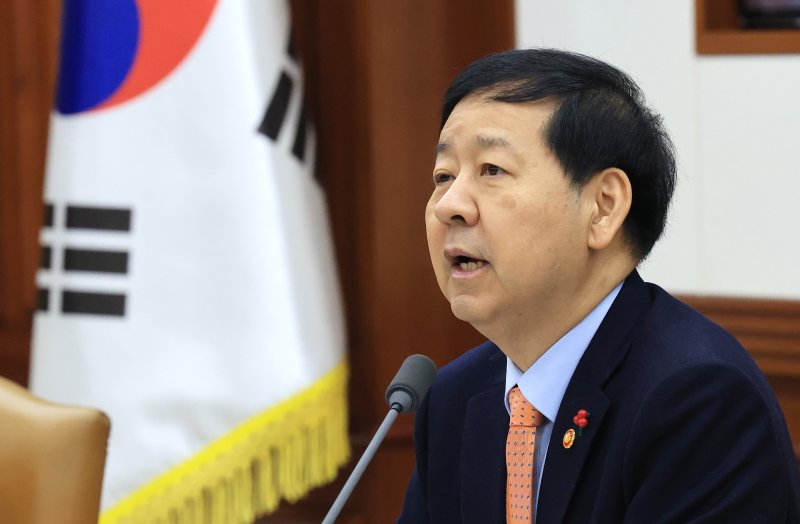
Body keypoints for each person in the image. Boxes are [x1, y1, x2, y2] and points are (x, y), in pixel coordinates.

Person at [398, 48, 800, 523]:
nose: (450, 205)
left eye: (492, 170)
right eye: (443, 176)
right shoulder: (453, 399)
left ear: (603, 208)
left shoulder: (698, 401)